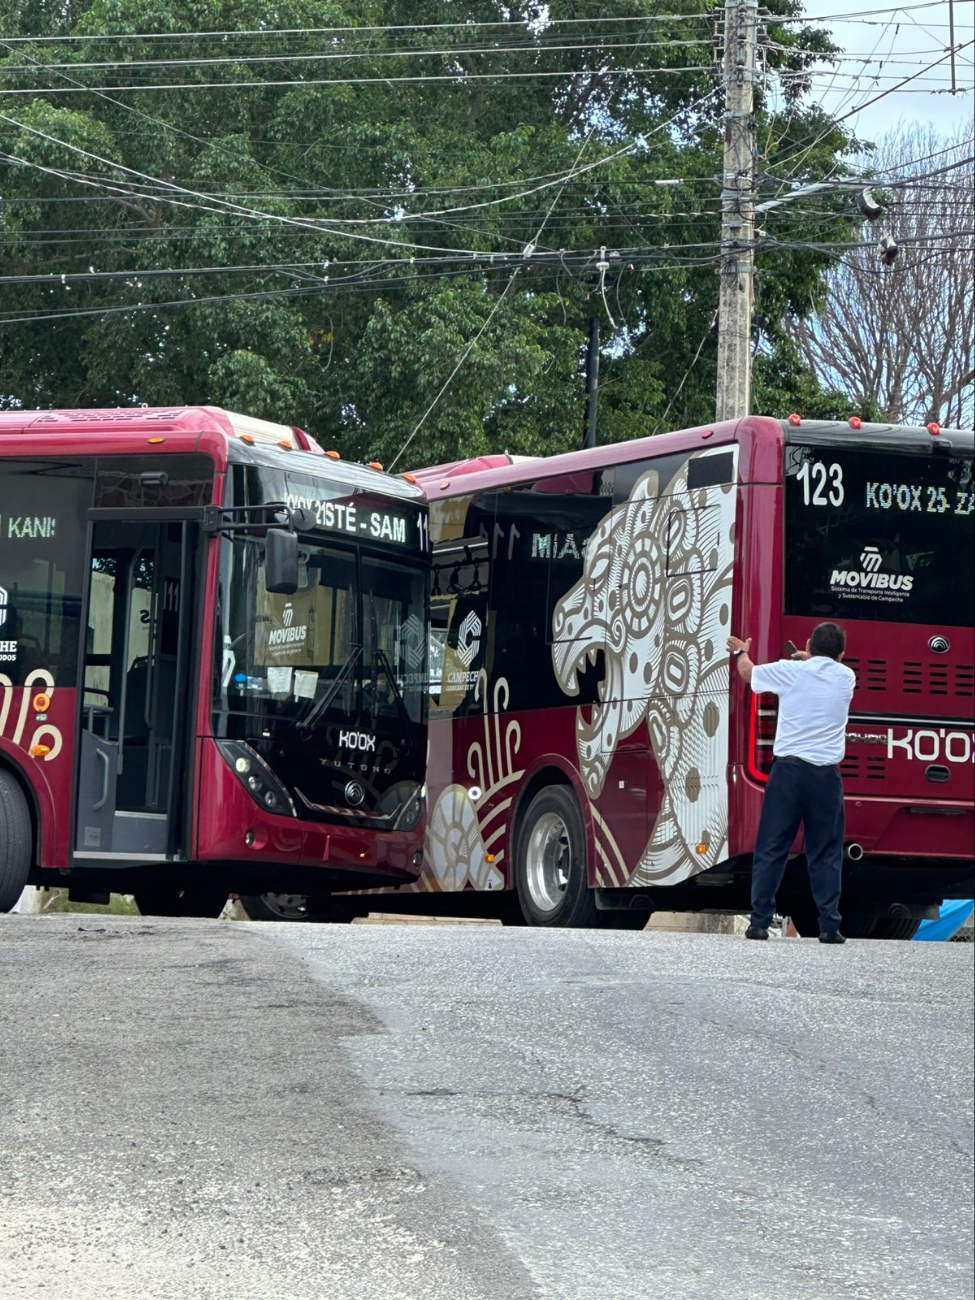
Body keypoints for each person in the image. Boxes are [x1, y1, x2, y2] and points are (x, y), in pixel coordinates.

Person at [726, 621, 856, 944]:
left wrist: (742, 651)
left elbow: (748, 673)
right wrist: (809, 658)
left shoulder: (790, 671)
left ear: (809, 644)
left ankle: (759, 922)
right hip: (826, 777)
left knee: (772, 845)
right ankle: (829, 925)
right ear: (842, 653)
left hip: (789, 774)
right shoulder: (847, 678)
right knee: (825, 851)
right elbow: (825, 670)